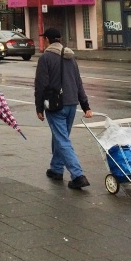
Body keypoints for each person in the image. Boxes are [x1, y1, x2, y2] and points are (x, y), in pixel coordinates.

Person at [34, 27, 93, 189]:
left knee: (62, 139)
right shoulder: (70, 56)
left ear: (47, 39)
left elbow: (41, 85)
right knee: (60, 136)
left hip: (55, 104)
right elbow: (78, 82)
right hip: (72, 104)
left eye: (43, 39)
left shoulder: (45, 58)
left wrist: (39, 107)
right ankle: (56, 169)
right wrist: (85, 105)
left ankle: (78, 175)